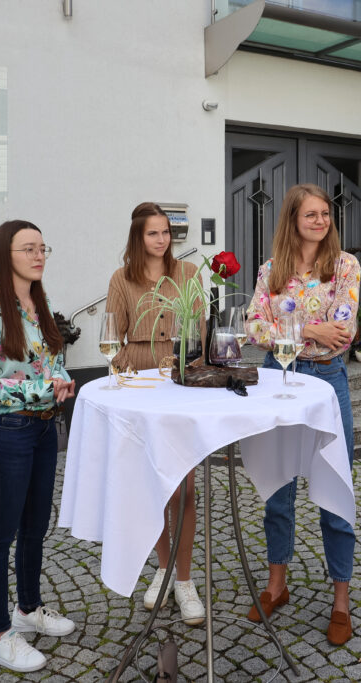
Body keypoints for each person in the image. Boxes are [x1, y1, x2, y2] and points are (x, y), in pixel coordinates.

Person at [244, 183, 360, 646]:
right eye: (310, 214)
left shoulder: (345, 265)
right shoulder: (272, 270)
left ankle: (341, 600)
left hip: (328, 379)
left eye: (325, 214)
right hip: (278, 380)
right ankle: (277, 585)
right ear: (293, 219)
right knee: (278, 488)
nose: (319, 221)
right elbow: (253, 325)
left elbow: (345, 330)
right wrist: (311, 327)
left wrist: (286, 330)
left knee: (336, 484)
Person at [0, 220, 77, 673]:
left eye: (42, 247)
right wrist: (41, 391)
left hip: (43, 430)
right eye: (28, 248)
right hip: (4, 432)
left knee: (34, 527)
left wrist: (60, 384)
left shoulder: (39, 305)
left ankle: (28, 610)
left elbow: (48, 366)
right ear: (4, 255)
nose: (38, 255)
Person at [103, 201, 206, 626]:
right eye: (153, 233)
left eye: (166, 232)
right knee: (154, 488)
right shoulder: (121, 279)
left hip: (181, 384)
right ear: (138, 237)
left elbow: (200, 333)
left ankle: (184, 579)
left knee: (184, 488)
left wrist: (190, 367)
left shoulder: (189, 275)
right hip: (141, 384)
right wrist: (123, 371)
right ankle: (163, 568)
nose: (162, 239)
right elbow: (111, 336)